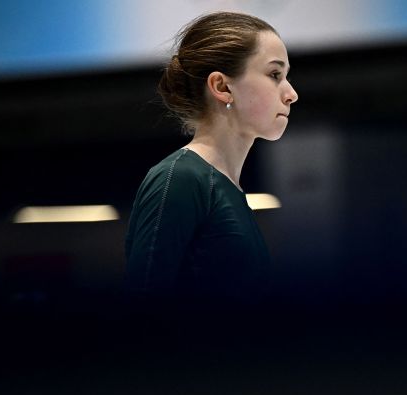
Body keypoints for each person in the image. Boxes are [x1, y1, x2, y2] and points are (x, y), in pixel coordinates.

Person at [125, 11, 298, 307]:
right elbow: (142, 310)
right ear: (222, 87)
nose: (291, 94)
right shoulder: (181, 178)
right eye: (274, 75)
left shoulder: (224, 187)